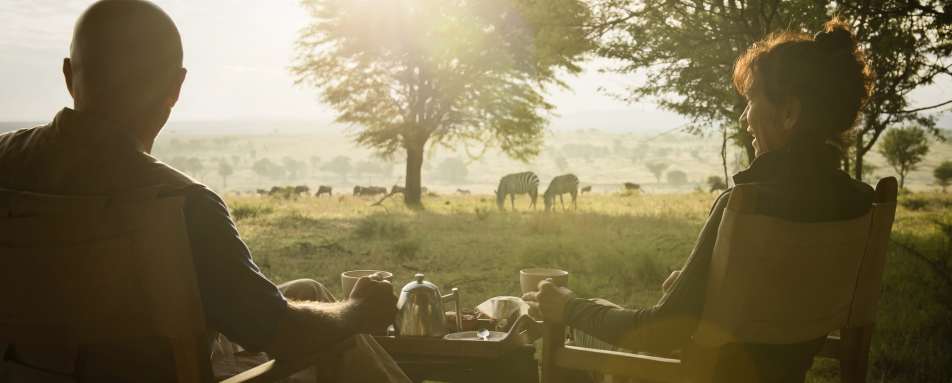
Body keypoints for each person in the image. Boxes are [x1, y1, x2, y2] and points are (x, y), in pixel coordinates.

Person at [0, 1, 408, 381]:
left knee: (309, 293)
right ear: (175, 88)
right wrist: (358, 310)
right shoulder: (179, 205)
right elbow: (285, 335)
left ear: (70, 75)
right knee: (341, 331)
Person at [524, 18, 874, 383]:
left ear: (788, 113)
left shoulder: (747, 203)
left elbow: (660, 333)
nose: (744, 118)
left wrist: (568, 306)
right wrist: (711, 289)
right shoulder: (858, 201)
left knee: (577, 331)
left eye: (752, 99)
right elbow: (789, 298)